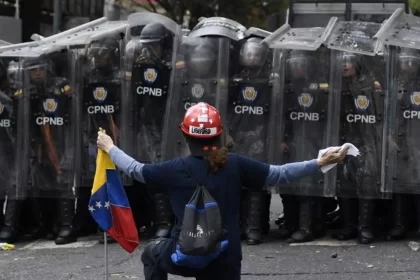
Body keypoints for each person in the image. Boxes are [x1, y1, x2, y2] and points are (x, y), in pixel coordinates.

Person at [96, 102, 348, 280]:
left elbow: (136, 169)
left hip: (183, 254)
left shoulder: (173, 169)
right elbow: (280, 174)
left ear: (185, 135)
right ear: (218, 135)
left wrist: (109, 146)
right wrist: (320, 162)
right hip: (225, 258)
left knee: (152, 253)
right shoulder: (235, 164)